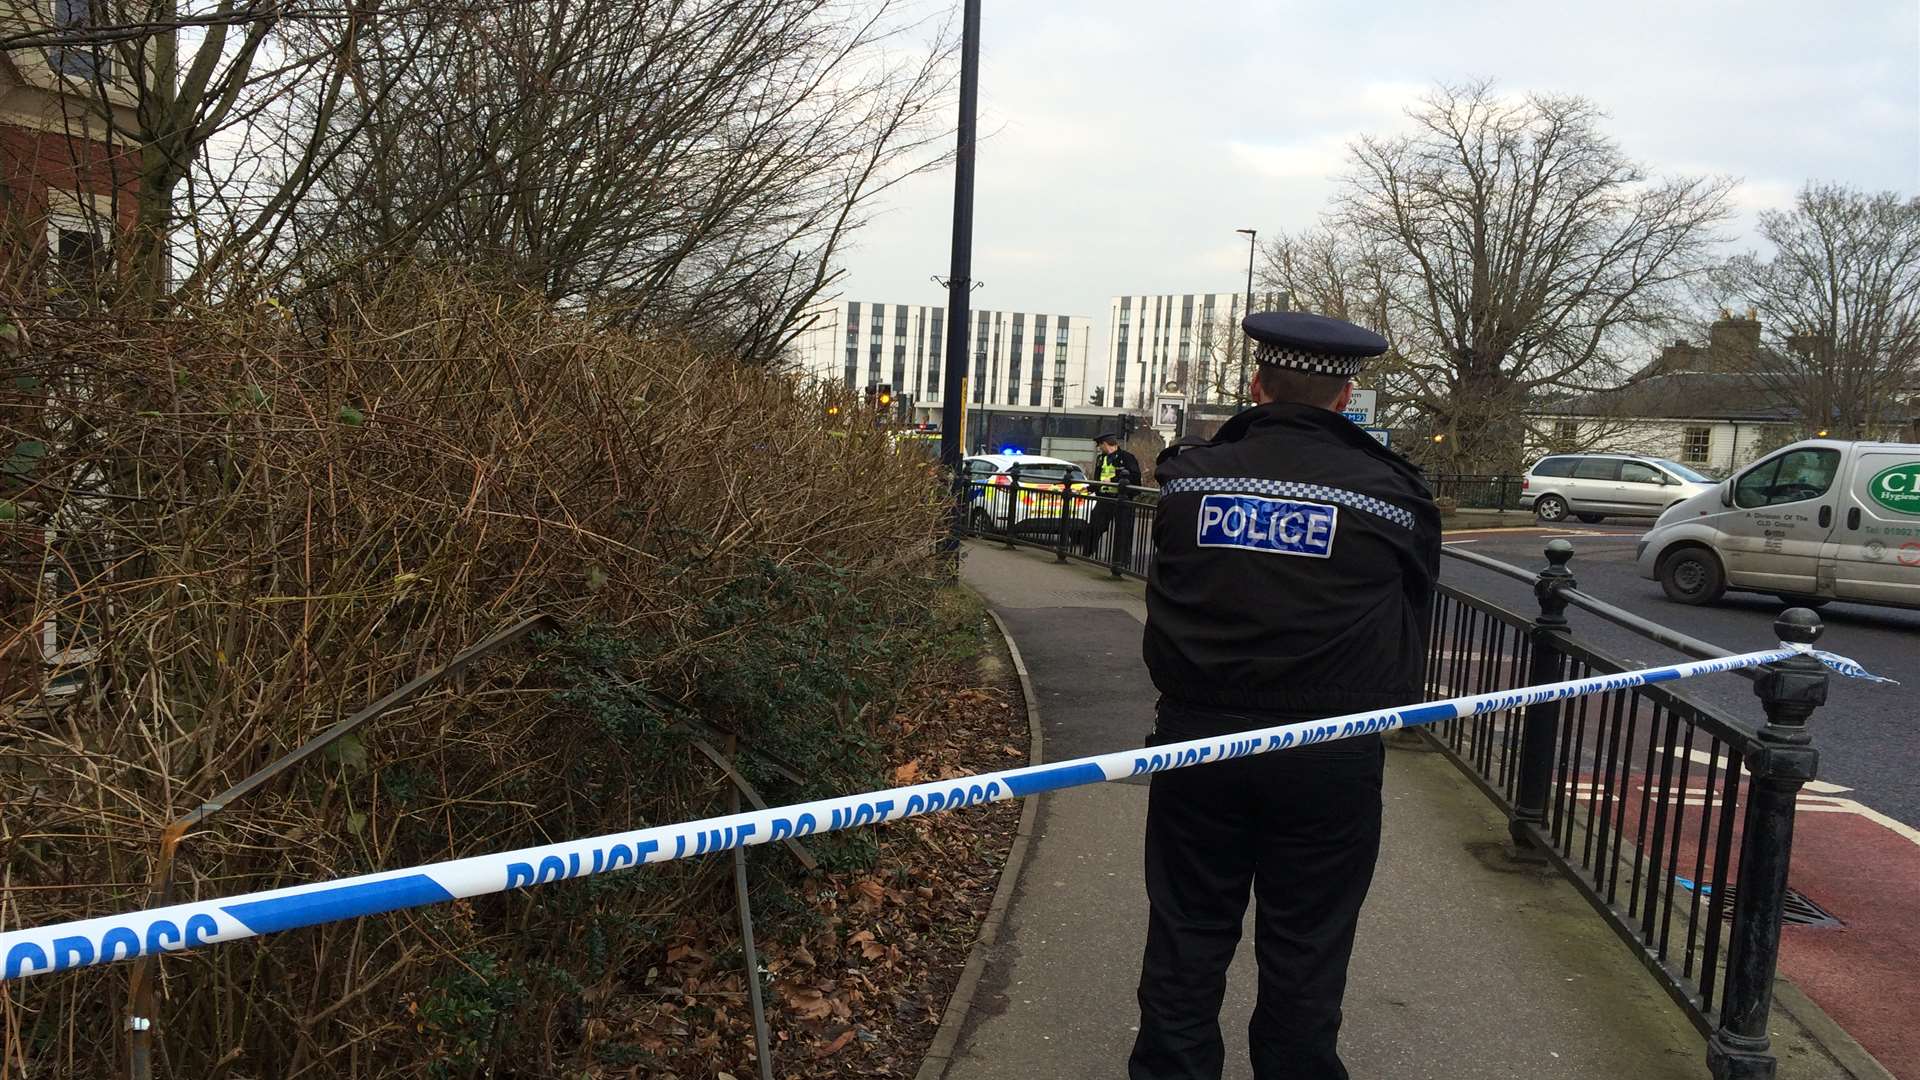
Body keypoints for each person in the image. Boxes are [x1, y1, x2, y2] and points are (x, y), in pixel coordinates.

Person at [1130, 311, 1442, 1080]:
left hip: (1199, 743)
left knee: (1186, 934)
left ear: (1256, 384)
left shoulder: (1191, 478)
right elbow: (1413, 612)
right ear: (1344, 397)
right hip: (1328, 755)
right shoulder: (1393, 497)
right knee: (1308, 947)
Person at [1082, 432, 1143, 562]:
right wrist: (1089, 488)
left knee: (1123, 531)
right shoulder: (1101, 459)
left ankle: (1120, 561)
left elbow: (1135, 477)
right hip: (1104, 498)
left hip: (1122, 499)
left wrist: (1114, 480)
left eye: (1100, 445)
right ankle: (1086, 555)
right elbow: (1098, 478)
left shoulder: (1127, 457)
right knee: (1094, 526)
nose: (1099, 448)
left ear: (1105, 444)